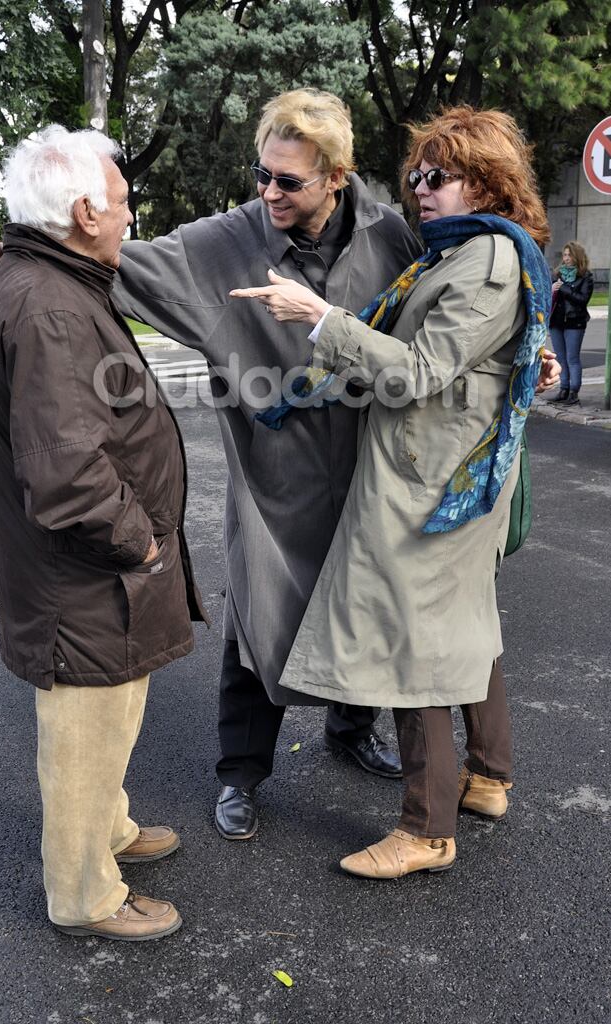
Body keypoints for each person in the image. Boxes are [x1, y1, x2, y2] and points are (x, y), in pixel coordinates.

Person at [0, 89, 418, 843]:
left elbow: (431, 313)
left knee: (359, 601)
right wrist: (14, 252)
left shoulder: (386, 234)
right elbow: (114, 256)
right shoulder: (229, 241)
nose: (267, 191)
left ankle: (349, 726)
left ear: (336, 176)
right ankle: (240, 773)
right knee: (258, 619)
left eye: (288, 181)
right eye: (261, 174)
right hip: (274, 471)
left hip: (369, 462)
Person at [231, 105, 556, 878]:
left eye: (435, 176)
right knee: (465, 626)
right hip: (446, 474)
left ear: (484, 180)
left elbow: (415, 373)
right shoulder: (466, 251)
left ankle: (425, 828)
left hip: (430, 482)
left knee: (418, 647)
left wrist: (323, 319)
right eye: (414, 175)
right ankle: (487, 777)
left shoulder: (484, 260)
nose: (418, 189)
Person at [0, 126, 208, 940]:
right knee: (83, 734)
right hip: (85, 580)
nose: (130, 216)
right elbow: (68, 476)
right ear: (82, 211)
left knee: (111, 719)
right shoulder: (50, 307)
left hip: (88, 578)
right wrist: (139, 542)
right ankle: (83, 895)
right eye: (123, 202)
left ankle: (110, 833)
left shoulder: (46, 278)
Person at [548, 241, 594, 406]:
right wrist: (553, 288)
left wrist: (565, 289)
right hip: (556, 322)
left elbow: (582, 300)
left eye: (569, 255)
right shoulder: (557, 274)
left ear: (577, 257)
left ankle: (574, 392)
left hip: (575, 322)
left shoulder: (586, 277)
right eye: (564, 255)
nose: (566, 258)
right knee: (560, 357)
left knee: (572, 358)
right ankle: (564, 389)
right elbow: (550, 296)